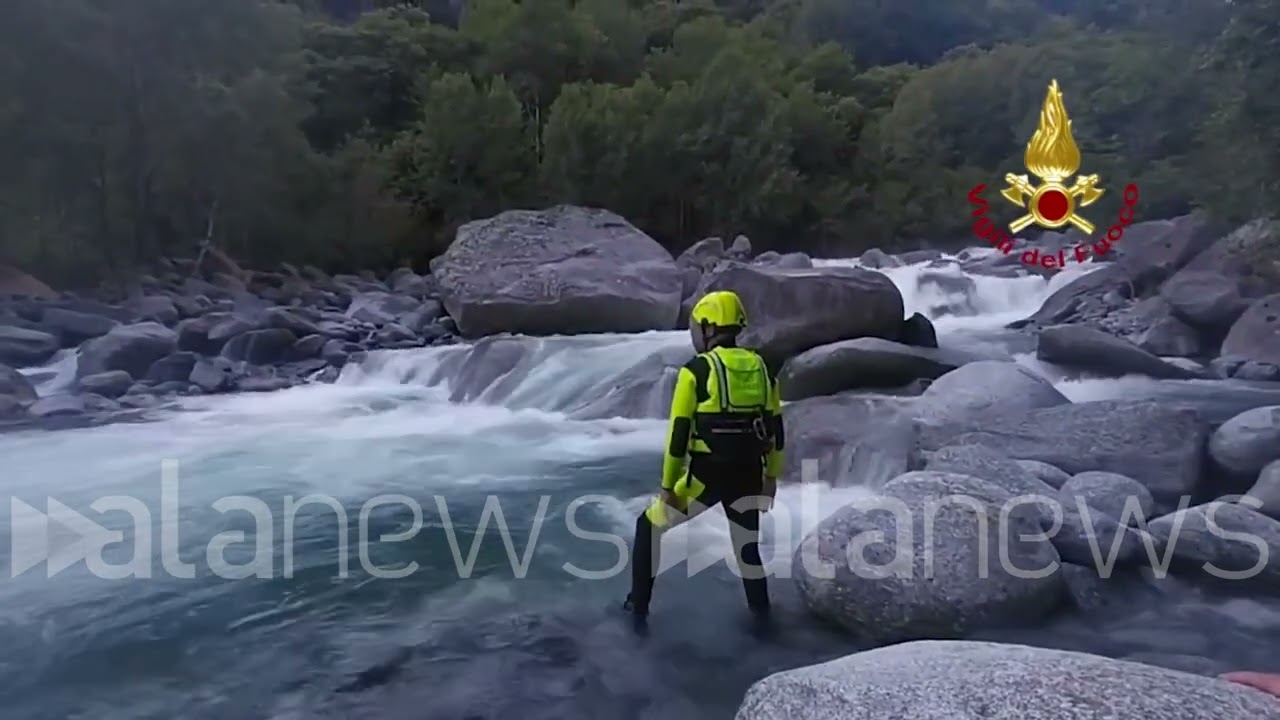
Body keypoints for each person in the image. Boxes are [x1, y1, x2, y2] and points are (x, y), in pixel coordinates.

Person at [622, 289, 784, 632]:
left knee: (648, 527)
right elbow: (776, 428)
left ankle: (637, 610)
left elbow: (679, 434)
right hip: (749, 474)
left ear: (709, 327)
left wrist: (668, 487)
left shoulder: (694, 371)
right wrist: (772, 477)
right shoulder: (762, 368)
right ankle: (763, 619)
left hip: (705, 477)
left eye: (700, 325)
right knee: (747, 549)